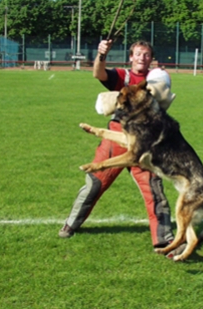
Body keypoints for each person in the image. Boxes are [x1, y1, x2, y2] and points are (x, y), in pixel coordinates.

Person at [59, 39, 182, 256]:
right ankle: (71, 224)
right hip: (116, 137)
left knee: (153, 189)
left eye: (146, 54)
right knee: (95, 183)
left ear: (151, 59)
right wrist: (101, 54)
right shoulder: (123, 76)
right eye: (138, 54)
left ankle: (164, 240)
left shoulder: (157, 78)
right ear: (131, 57)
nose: (142, 57)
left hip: (143, 141)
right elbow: (98, 74)